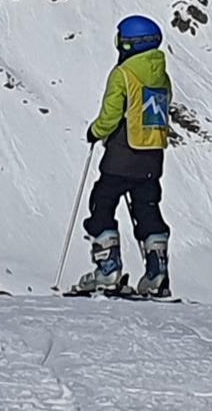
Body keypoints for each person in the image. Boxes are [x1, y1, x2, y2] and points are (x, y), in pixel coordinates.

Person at [74, 15, 172, 297]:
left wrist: (95, 131)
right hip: (153, 156)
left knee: (102, 203)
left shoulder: (124, 74)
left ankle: (108, 270)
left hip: (122, 153)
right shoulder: (161, 76)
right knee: (148, 210)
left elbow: (111, 114)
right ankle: (157, 273)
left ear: (128, 44)